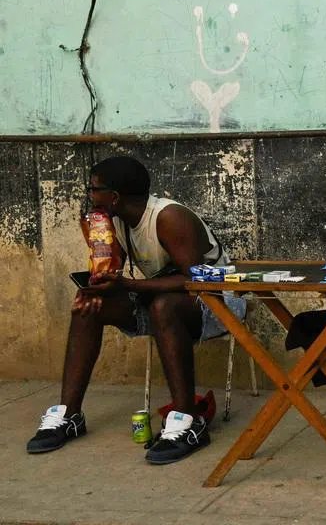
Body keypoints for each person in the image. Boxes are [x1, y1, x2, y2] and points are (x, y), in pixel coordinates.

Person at [26, 155, 246, 463]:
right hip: (159, 300)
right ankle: (68, 415)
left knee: (165, 307)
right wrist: (97, 285)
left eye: (94, 189)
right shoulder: (113, 221)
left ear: (114, 196)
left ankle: (187, 420)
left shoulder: (168, 217)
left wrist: (129, 287)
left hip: (218, 301)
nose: (89, 195)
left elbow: (195, 280)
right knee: (90, 307)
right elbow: (113, 271)